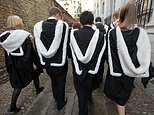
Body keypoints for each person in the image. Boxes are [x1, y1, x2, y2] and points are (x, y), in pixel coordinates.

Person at [104, 2, 151, 115]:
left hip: (117, 71)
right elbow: (142, 53)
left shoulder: (113, 33)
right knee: (123, 96)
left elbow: (109, 54)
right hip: (130, 72)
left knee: (120, 100)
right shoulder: (140, 33)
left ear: (122, 14)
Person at [0, 15, 43, 113]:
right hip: (26, 62)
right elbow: (29, 52)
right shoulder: (24, 35)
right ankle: (38, 89)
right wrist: (33, 63)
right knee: (35, 74)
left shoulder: (4, 36)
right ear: (19, 22)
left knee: (17, 85)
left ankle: (12, 107)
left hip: (13, 64)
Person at [70, 11, 106, 115]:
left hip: (79, 70)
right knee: (89, 88)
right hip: (93, 70)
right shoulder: (100, 35)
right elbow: (102, 54)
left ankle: (83, 110)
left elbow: (70, 53)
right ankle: (88, 96)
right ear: (92, 21)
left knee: (81, 94)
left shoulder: (74, 34)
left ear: (80, 21)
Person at [33, 7, 69, 110]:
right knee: (61, 82)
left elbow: (37, 45)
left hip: (47, 62)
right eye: (60, 16)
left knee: (53, 80)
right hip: (60, 61)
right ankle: (60, 102)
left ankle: (56, 97)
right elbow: (67, 43)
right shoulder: (63, 26)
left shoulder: (39, 27)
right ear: (57, 14)